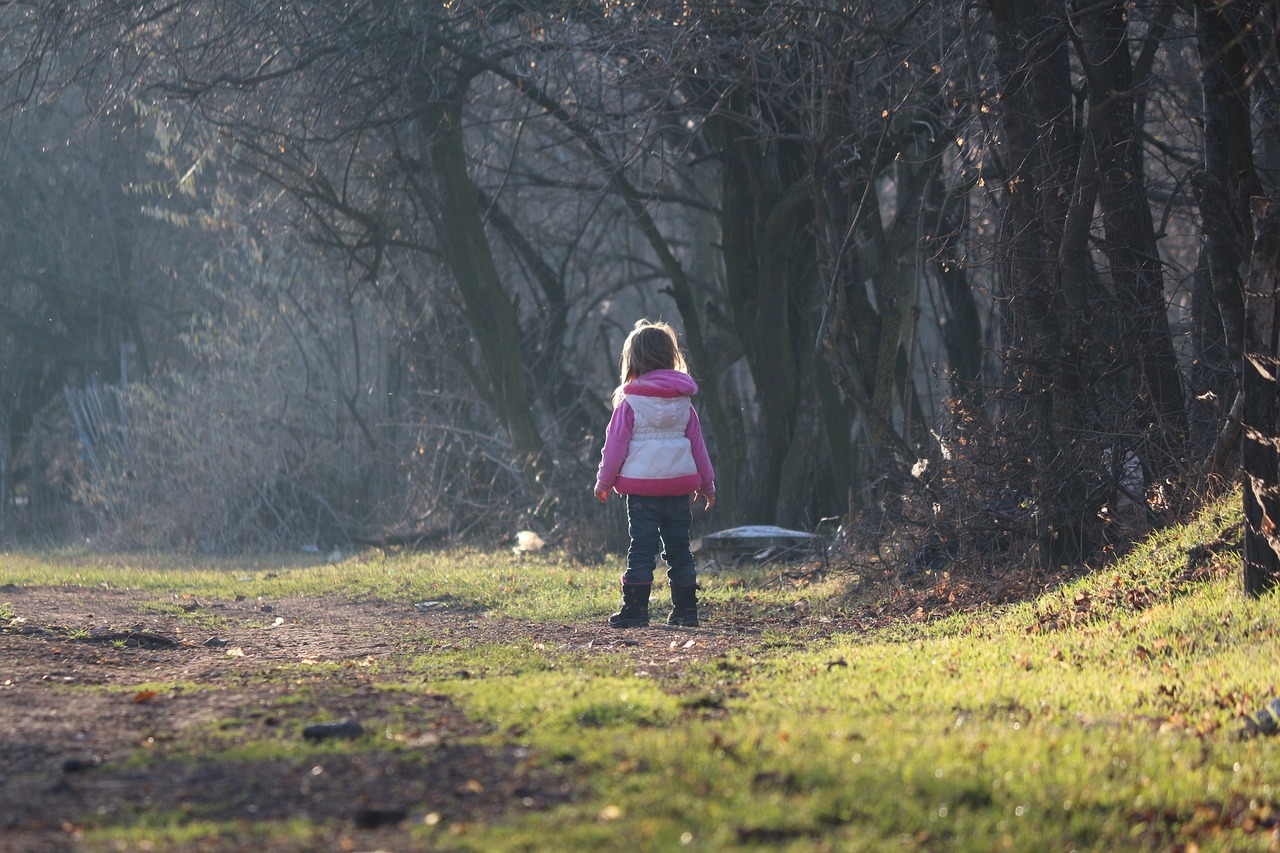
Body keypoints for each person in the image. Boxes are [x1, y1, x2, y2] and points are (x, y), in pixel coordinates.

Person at [594, 319, 715, 628]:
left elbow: (614, 447)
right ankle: (686, 610)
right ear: (670, 356)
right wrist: (707, 482)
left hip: (642, 492)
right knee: (679, 550)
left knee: (642, 551)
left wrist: (604, 481)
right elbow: (697, 445)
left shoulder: (630, 402)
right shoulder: (683, 402)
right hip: (678, 489)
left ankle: (635, 611)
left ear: (633, 359)